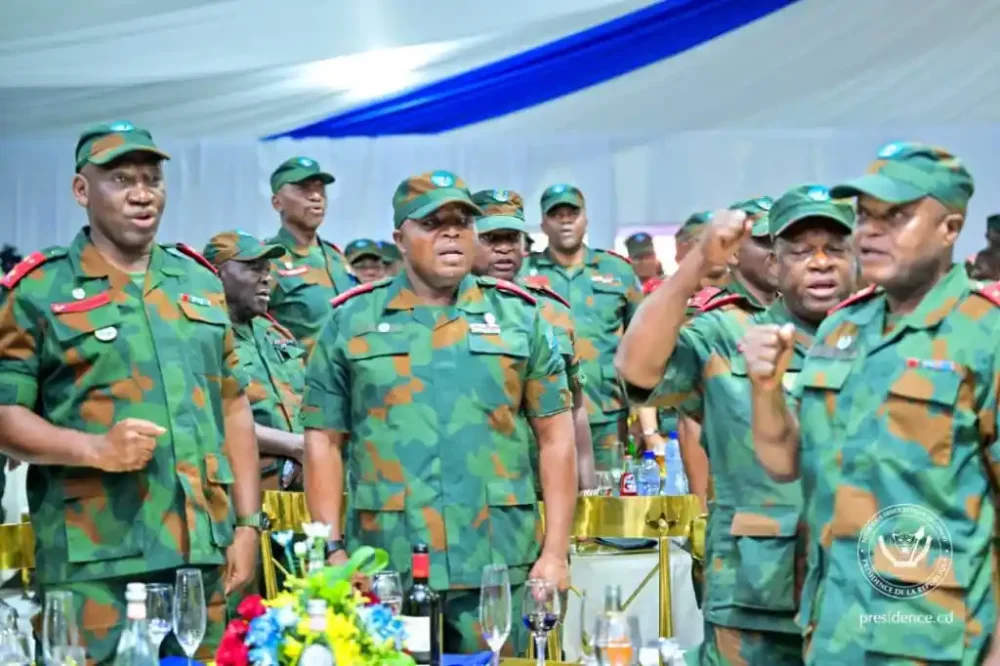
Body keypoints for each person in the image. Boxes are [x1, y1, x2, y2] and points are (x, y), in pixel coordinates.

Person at [0, 122, 263, 664]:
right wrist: (94, 448)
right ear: (82, 190)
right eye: (121, 180)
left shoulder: (198, 282)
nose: (142, 194)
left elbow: (233, 404)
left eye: (152, 179)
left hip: (202, 551)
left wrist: (246, 523)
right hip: (94, 561)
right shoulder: (39, 289)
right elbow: (5, 416)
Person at [744, 142, 1000, 665]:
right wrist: (765, 388)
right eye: (864, 216)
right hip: (835, 630)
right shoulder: (842, 328)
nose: (870, 232)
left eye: (896, 216)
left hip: (937, 642)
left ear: (950, 228)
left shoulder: (984, 335)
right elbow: (785, 463)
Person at [300, 171, 576, 655]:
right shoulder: (351, 322)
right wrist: (332, 549)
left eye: (462, 223)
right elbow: (323, 440)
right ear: (399, 239)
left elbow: (556, 438)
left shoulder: (520, 318)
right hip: (385, 564)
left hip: (498, 561)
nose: (451, 233)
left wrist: (555, 552)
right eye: (432, 223)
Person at [616, 184, 856, 666]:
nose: (820, 262)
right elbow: (636, 372)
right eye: (800, 251)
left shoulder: (890, 339)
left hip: (867, 594)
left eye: (835, 249)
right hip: (757, 594)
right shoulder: (726, 336)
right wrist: (694, 268)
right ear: (775, 265)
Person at [470, 188, 597, 490]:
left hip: (544, 482)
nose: (504, 249)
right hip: (476, 484)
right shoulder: (449, 309)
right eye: (491, 239)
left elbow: (576, 408)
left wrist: (589, 489)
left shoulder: (552, 310)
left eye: (512, 239)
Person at [522, 184, 642, 470]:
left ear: (585, 219)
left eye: (572, 214)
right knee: (547, 493)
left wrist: (645, 416)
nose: (565, 221)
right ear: (543, 224)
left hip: (606, 411)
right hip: (544, 412)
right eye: (556, 215)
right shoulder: (523, 273)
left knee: (607, 491)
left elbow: (641, 343)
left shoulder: (617, 271)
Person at [203, 230, 308, 492]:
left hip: (301, 488)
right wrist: (294, 445)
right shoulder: (203, 336)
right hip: (243, 490)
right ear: (215, 274)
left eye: (267, 270)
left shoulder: (276, 334)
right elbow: (212, 417)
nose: (266, 278)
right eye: (253, 268)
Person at [264, 156, 354, 354]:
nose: (316, 196)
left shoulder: (337, 257)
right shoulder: (266, 260)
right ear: (277, 202)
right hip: (301, 372)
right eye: (303, 188)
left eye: (320, 188)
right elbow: (249, 333)